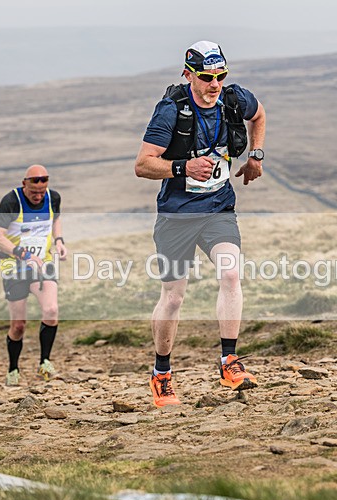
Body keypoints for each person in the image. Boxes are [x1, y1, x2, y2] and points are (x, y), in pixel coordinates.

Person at [135, 41, 267, 408]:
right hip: (177, 215)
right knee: (174, 296)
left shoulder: (233, 99)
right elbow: (143, 164)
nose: (215, 84)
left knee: (230, 275)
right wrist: (182, 167)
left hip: (218, 207)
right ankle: (162, 373)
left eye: (220, 76)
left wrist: (255, 156)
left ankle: (229, 361)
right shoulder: (170, 112)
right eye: (207, 77)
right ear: (188, 74)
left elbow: (259, 115)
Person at [0, 164, 67, 386]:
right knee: (19, 325)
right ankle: (13, 368)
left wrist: (59, 241)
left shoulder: (53, 198)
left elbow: (56, 220)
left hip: (42, 263)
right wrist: (23, 254)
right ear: (24, 184)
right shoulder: (11, 201)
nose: (38, 196)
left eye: (42, 192)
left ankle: (45, 363)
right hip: (14, 266)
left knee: (51, 310)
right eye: (34, 192)